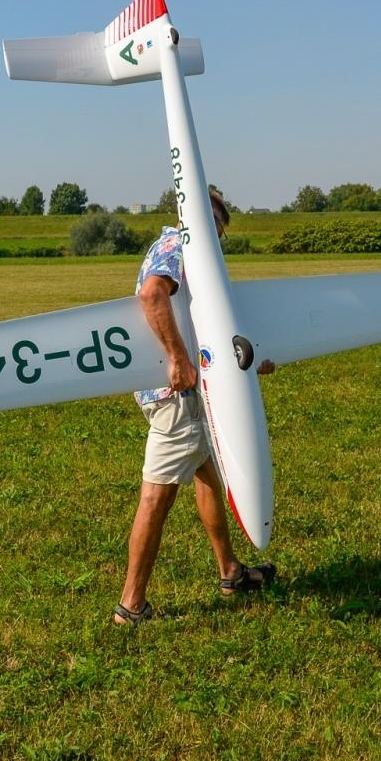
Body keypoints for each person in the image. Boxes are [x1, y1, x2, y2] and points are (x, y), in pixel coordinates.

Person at [112, 190, 276, 626]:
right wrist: (179, 360)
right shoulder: (179, 245)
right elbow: (151, 296)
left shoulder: (185, 252)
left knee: (208, 474)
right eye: (218, 228)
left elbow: (200, 320)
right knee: (156, 497)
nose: (220, 239)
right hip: (177, 399)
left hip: (192, 394)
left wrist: (247, 363)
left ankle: (230, 572)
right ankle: (131, 607)